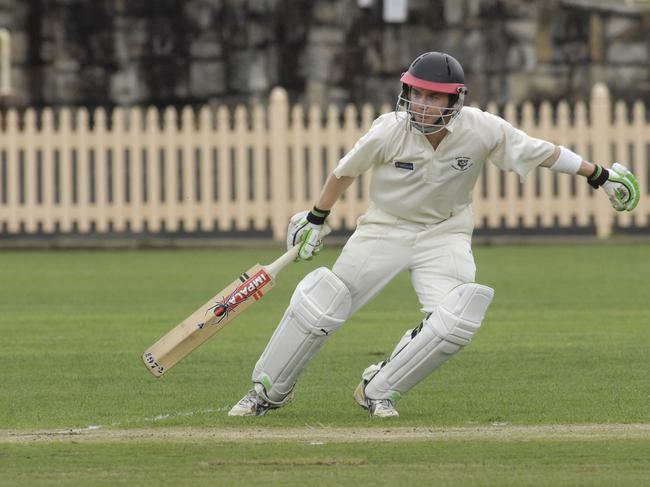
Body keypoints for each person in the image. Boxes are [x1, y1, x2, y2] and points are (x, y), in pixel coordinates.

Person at [228, 51, 640, 418]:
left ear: (453, 101)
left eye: (432, 97)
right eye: (415, 94)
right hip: (384, 229)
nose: (421, 105)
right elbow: (344, 172)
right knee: (323, 304)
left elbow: (541, 151)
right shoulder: (389, 130)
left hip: (445, 232)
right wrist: (316, 217)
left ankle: (378, 389)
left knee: (457, 317)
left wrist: (600, 176)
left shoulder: (481, 129)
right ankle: (267, 392)